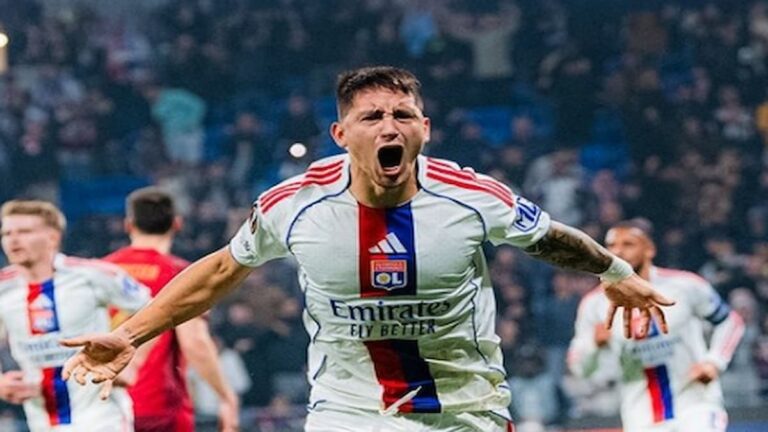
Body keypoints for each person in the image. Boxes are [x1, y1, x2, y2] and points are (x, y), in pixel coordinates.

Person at [62, 66, 673, 432]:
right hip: (347, 410)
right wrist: (131, 334)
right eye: (372, 116)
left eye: (403, 114)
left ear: (424, 129)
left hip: (465, 410)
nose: (389, 126)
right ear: (341, 133)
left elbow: (549, 238)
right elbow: (221, 270)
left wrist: (613, 269)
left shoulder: (471, 196)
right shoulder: (292, 204)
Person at [568, 218, 745, 432]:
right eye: (611, 245)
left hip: (695, 405)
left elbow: (730, 322)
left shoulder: (685, 285)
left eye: (628, 244)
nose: (618, 252)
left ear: (649, 249)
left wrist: (714, 361)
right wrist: (594, 345)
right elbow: (579, 368)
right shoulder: (594, 304)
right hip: (641, 417)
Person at [0, 200, 151, 431]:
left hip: (101, 415)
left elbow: (150, 307)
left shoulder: (91, 274)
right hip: (42, 420)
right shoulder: (4, 287)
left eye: (24, 231)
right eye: (7, 233)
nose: (13, 239)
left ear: (53, 237)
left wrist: (133, 363)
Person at [103, 187, 240, 432]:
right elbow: (194, 343)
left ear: (128, 225)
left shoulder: (101, 272)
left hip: (104, 406)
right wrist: (225, 396)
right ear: (177, 224)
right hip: (157, 407)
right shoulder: (181, 276)